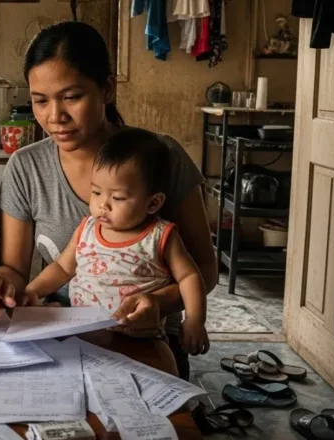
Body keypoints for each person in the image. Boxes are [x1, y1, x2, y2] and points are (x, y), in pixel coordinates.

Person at [0, 21, 218, 380]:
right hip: (60, 336)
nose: (55, 117)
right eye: (40, 101)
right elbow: (15, 271)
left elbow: (205, 269)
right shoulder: (27, 166)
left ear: (107, 89)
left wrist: (159, 304)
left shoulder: (161, 156)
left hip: (145, 338)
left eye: (71, 97)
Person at [18, 128, 210, 356]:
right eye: (96, 192)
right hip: (82, 332)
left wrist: (195, 321)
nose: (103, 205)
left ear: (153, 203)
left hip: (138, 337)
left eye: (117, 197)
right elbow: (62, 267)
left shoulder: (160, 236)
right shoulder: (87, 229)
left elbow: (189, 276)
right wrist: (32, 291)